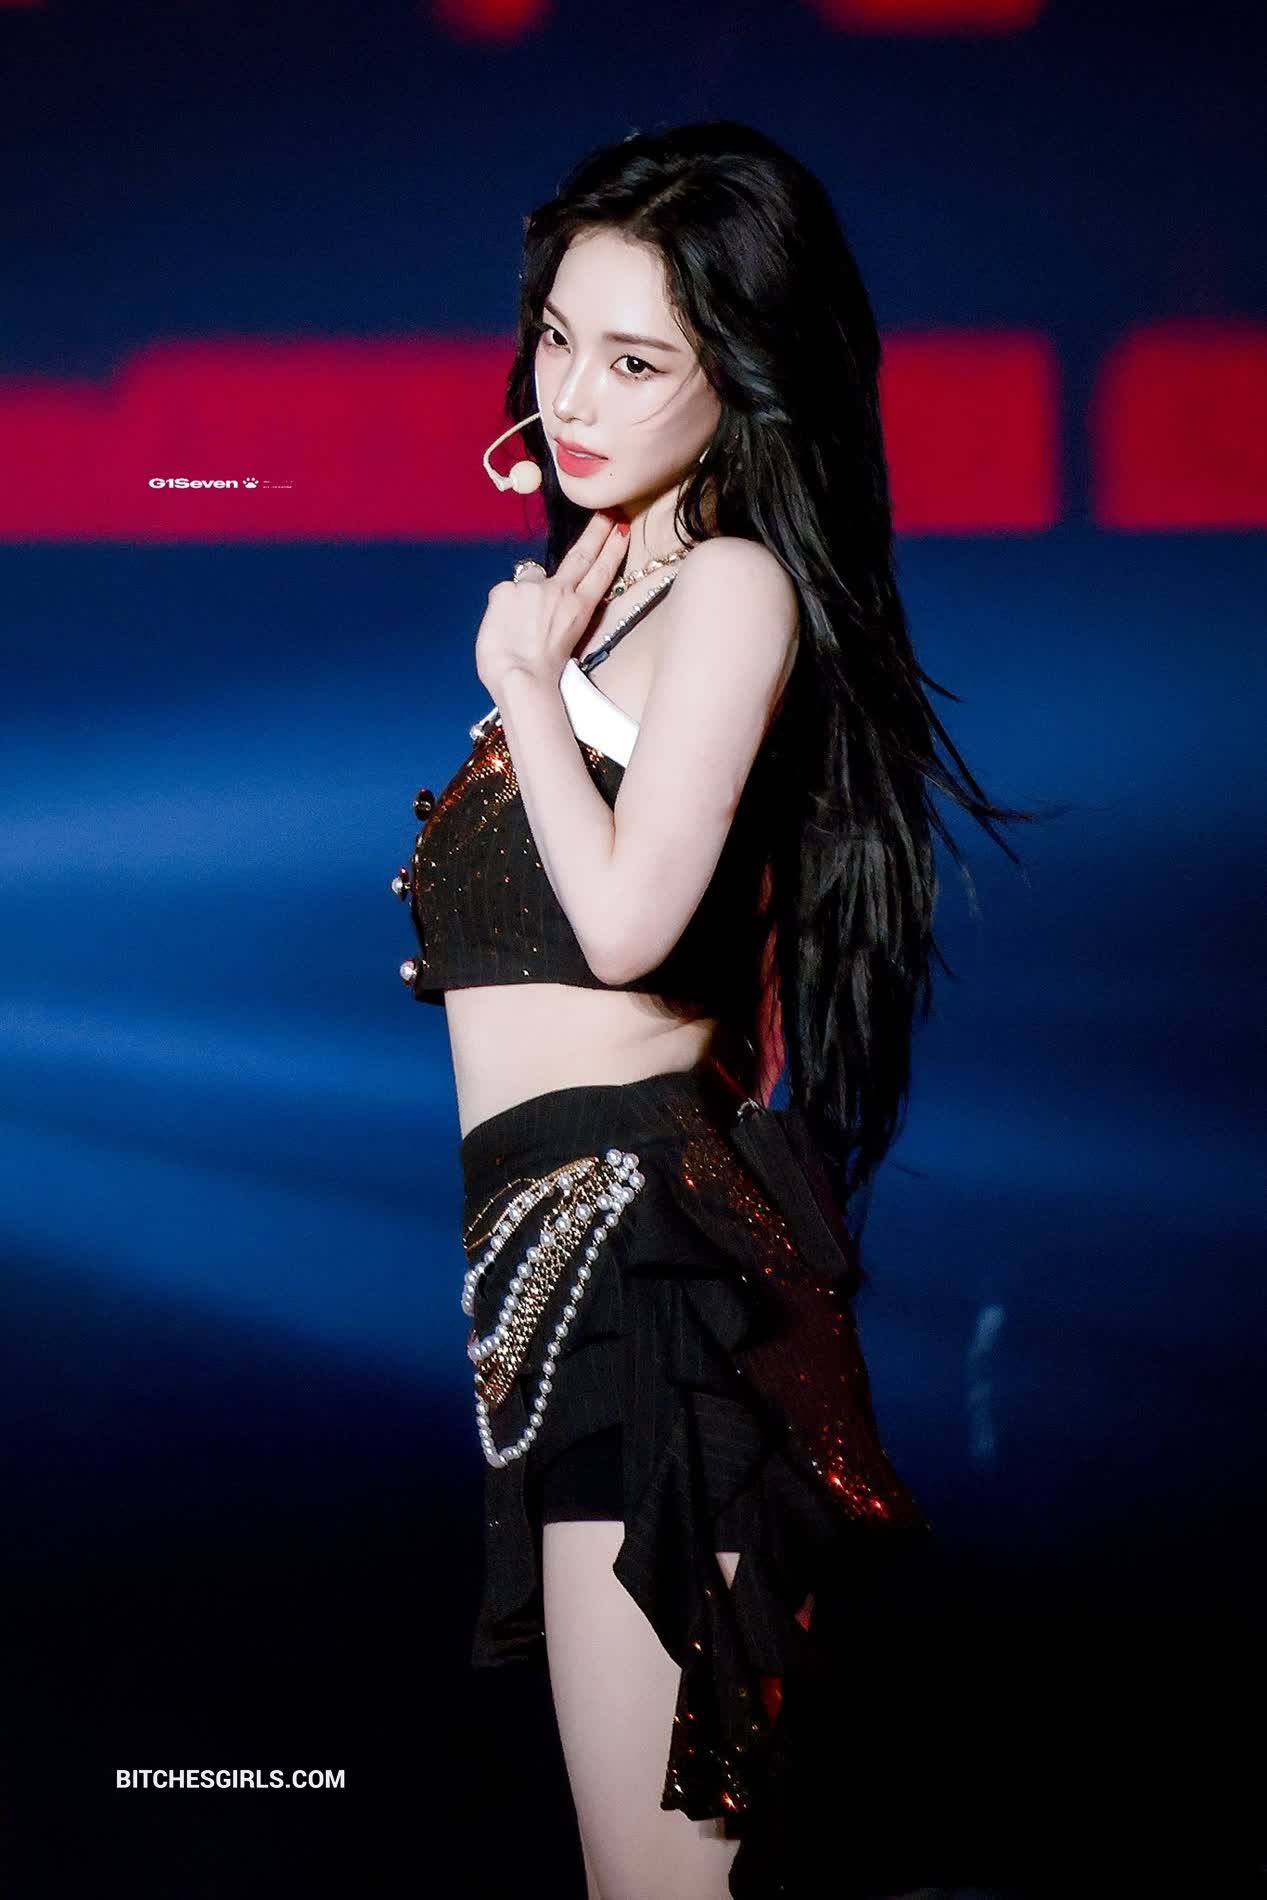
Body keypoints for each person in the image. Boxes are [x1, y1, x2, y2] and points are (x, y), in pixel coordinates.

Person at [396, 121, 1040, 1900]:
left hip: (648, 1274)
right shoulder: (609, 595)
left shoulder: (730, 587)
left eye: (635, 359)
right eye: (556, 338)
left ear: (740, 371)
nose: (570, 395)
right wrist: (550, 672)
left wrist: (527, 688)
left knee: (664, 1884)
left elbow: (625, 929)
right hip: (558, 1277)